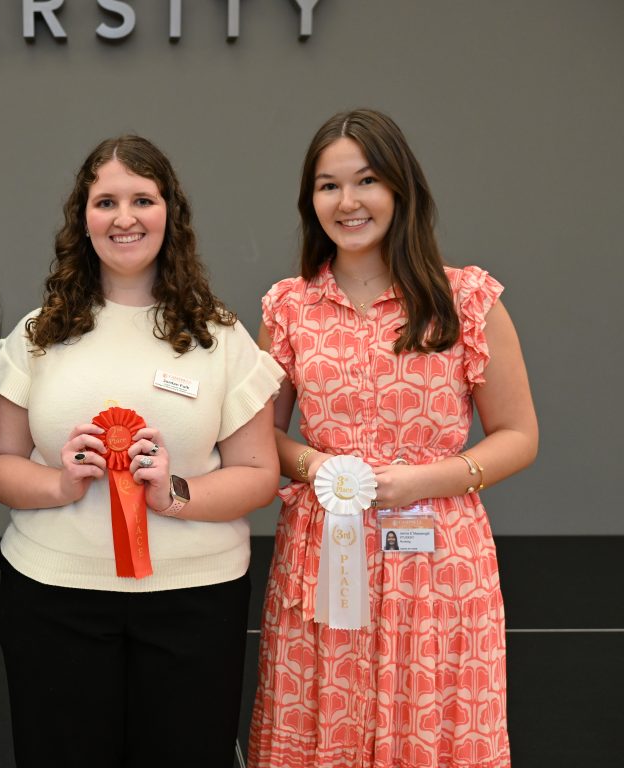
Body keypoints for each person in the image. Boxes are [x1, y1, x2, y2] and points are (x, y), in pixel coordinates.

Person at [0, 135, 283, 768]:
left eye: (142, 198)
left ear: (170, 214)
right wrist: (58, 485)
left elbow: (258, 475)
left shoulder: (220, 336)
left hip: (195, 603)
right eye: (105, 201)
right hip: (52, 597)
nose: (124, 217)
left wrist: (174, 493)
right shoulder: (38, 333)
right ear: (81, 219)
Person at [248, 108, 538, 767]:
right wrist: (318, 463)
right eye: (328, 185)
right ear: (310, 199)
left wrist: (419, 480)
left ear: (401, 188)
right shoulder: (288, 308)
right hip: (324, 565)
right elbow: (262, 436)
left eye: (366, 180)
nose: (347, 202)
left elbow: (519, 435)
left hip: (439, 573)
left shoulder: (467, 301)